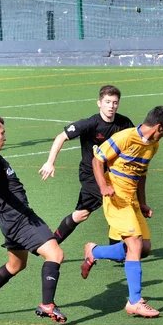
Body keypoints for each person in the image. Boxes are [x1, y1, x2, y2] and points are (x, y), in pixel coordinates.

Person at [0, 114, 67, 323]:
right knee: (55, 254)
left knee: (16, 265)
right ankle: (47, 304)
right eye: (2, 133)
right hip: (19, 218)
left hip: (8, 220)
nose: (5, 137)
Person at [82, 106, 163, 318]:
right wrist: (103, 187)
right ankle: (135, 301)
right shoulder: (124, 137)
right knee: (134, 243)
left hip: (131, 200)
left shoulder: (153, 145)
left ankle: (94, 252)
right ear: (159, 126)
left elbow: (141, 174)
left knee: (144, 249)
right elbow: (97, 161)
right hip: (115, 198)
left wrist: (143, 202)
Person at [39, 85, 134, 245]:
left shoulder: (124, 123)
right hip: (91, 175)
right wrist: (50, 162)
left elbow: (133, 142)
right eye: (108, 102)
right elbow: (61, 137)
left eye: (115, 102)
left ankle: (51, 244)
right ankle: (118, 250)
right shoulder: (90, 124)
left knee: (81, 214)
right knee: (116, 202)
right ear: (99, 103)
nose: (111, 106)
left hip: (112, 175)